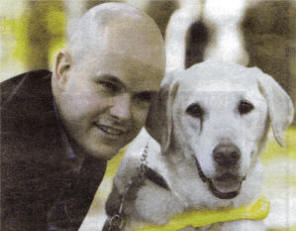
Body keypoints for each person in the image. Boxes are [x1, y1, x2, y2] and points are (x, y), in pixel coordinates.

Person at [0, 3, 165, 231]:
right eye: (108, 86)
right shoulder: (12, 141)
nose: (123, 113)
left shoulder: (81, 134)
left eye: (143, 97)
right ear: (63, 70)